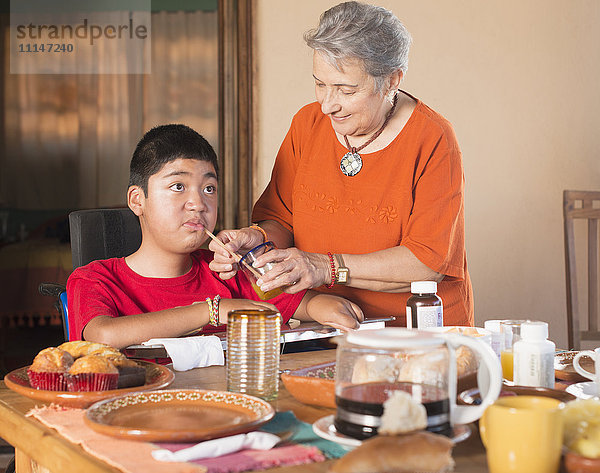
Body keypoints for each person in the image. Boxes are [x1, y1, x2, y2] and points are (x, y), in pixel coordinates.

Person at [209, 1, 473, 327]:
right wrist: (258, 240)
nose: (328, 105)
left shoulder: (433, 139)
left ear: (392, 80)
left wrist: (327, 266)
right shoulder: (306, 124)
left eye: (346, 90)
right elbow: (282, 220)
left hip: (416, 332)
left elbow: (426, 263)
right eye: (320, 84)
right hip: (326, 326)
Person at [66, 124, 363, 349]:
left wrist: (329, 308)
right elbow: (103, 335)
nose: (198, 203)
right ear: (137, 200)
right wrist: (212, 311)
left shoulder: (227, 269)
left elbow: (305, 304)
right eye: (178, 187)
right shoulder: (95, 278)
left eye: (209, 189)